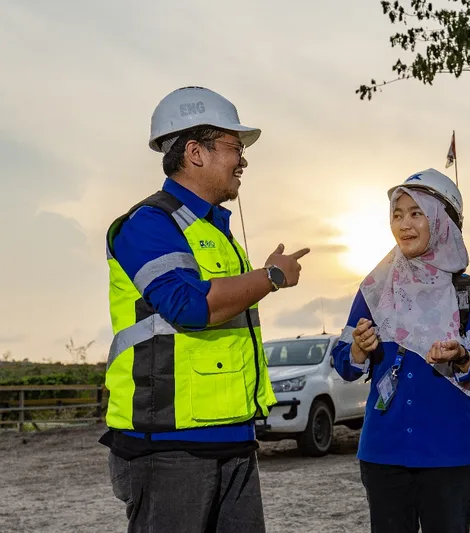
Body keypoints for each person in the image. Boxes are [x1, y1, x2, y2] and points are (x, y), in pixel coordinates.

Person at [101, 86, 310, 533]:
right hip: (168, 446)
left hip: (232, 437)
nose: (244, 160)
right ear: (195, 152)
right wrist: (270, 277)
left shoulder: (215, 233)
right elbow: (189, 305)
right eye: (235, 147)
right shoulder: (147, 225)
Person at [332, 169, 470, 533]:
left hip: (450, 454)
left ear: (442, 222)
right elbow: (344, 362)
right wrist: (359, 352)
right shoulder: (374, 289)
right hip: (383, 452)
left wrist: (462, 356)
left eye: (416, 213)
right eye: (397, 214)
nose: (404, 224)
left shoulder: (468, 292)